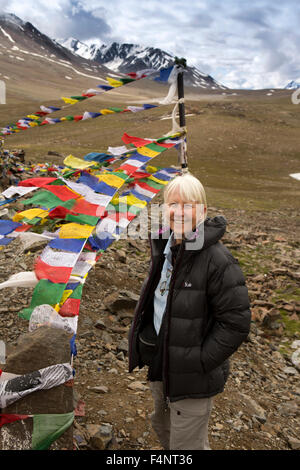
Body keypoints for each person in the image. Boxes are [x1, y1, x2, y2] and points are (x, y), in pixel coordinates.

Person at [128, 172, 251, 450]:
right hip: (162, 364)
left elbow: (237, 323)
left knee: (187, 445)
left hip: (193, 376)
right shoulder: (166, 247)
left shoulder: (218, 260)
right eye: (173, 203)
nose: (180, 211)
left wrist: (199, 361)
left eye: (188, 204)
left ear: (202, 211)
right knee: (163, 426)